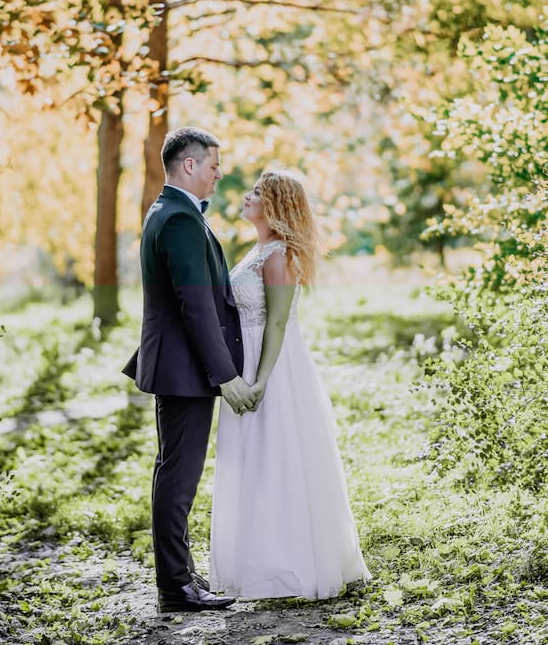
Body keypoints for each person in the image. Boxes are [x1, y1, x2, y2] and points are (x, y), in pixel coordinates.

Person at [210, 170, 371, 600]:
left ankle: (291, 564)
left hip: (272, 364)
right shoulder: (257, 250)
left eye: (257, 193)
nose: (247, 196)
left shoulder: (277, 255)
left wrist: (261, 379)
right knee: (255, 460)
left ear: (275, 206)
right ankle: (262, 561)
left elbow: (278, 322)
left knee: (277, 457)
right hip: (247, 357)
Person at [122, 127, 256, 613]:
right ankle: (175, 587)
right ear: (190, 164)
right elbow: (195, 306)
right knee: (178, 477)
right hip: (184, 371)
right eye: (214, 165)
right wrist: (225, 375)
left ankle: (179, 576)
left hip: (179, 366)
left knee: (174, 472)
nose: (220, 175)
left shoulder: (171, 211)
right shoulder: (178, 218)